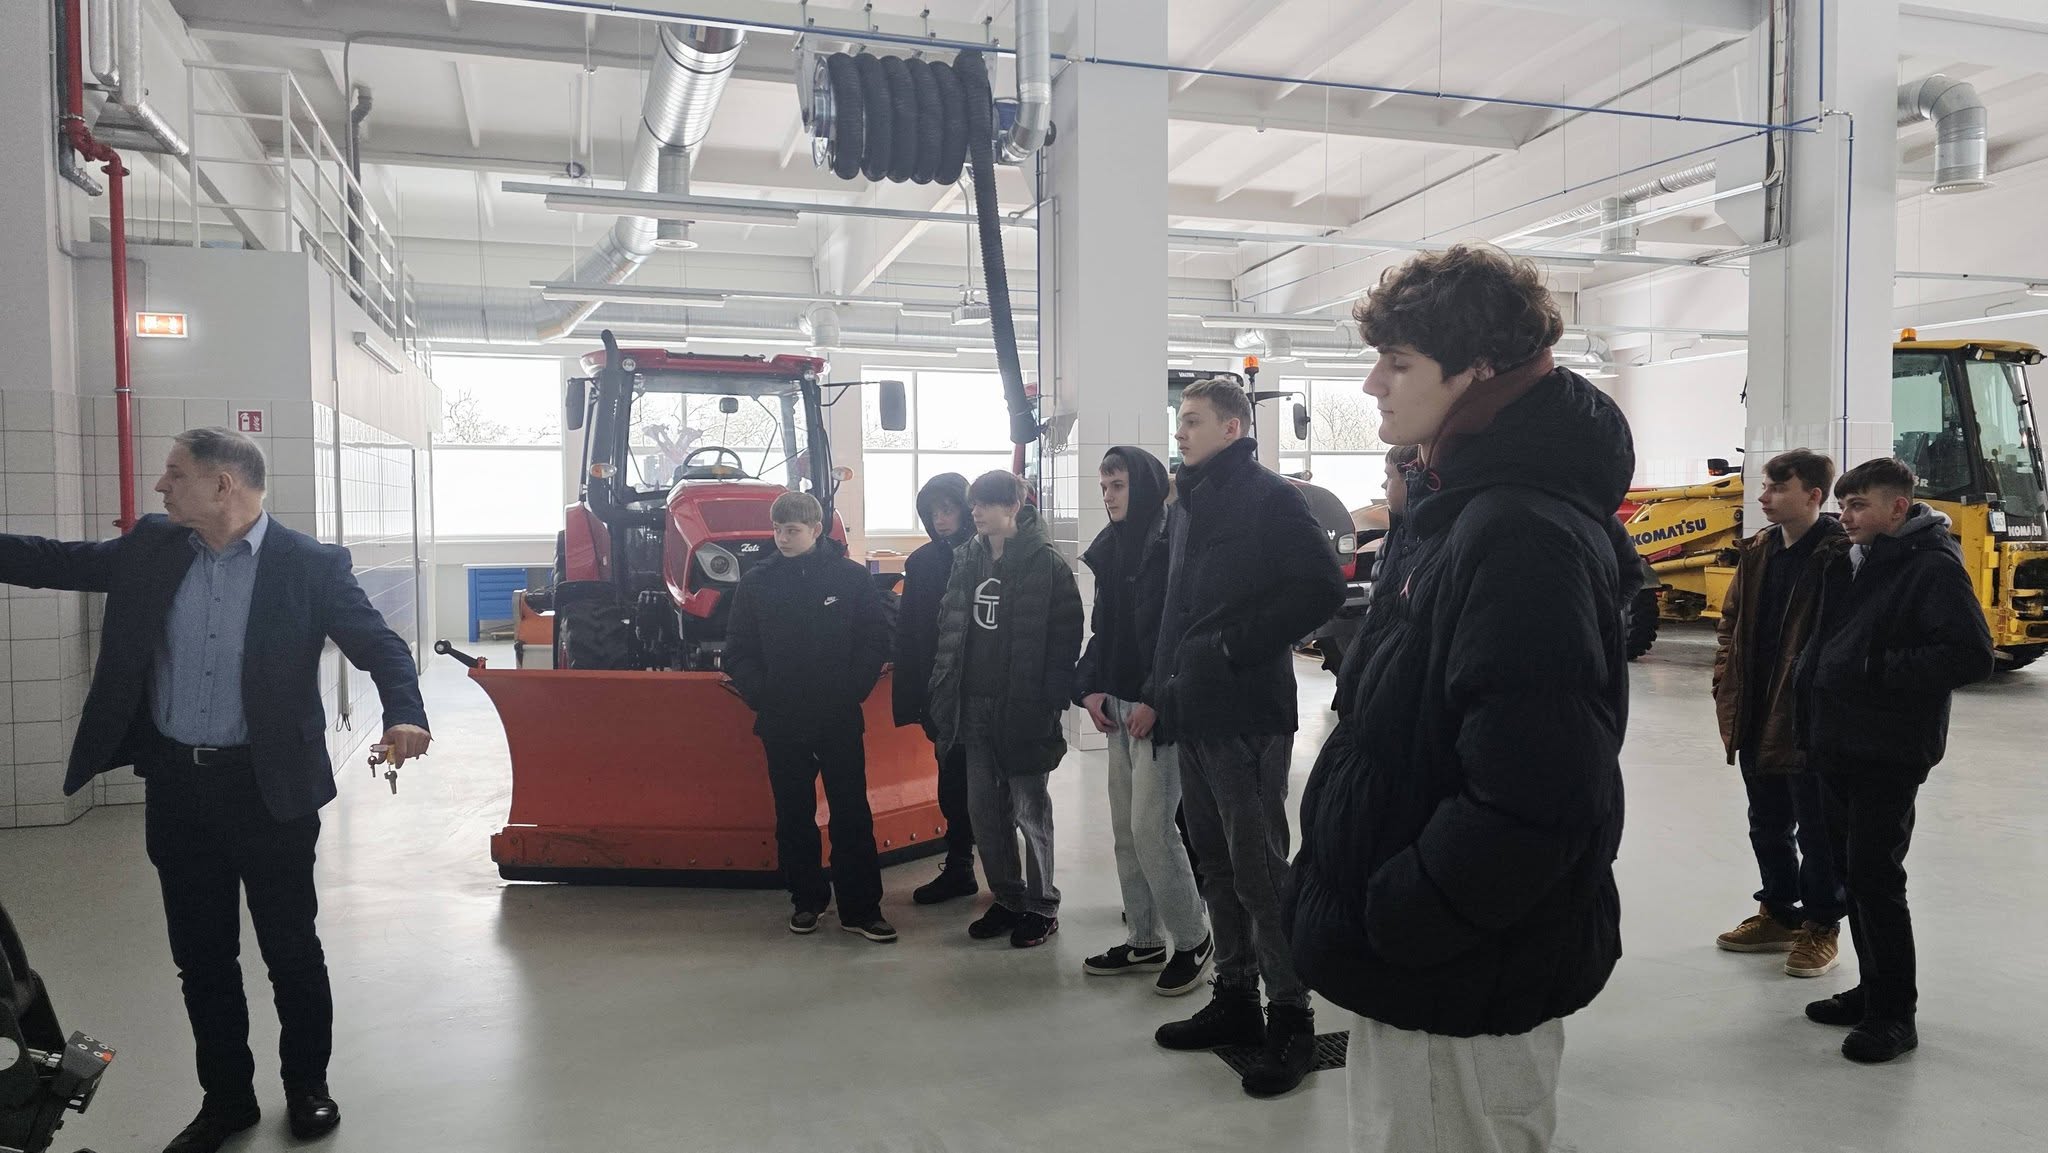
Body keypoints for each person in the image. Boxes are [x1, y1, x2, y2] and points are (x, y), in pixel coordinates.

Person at [1287, 245, 1635, 1153]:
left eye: (1398, 362)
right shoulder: (1458, 504)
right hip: (1434, 969)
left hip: (1460, 972)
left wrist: (1408, 914)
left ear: (1478, 369)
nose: (1372, 383)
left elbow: (1539, 793)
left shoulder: (1517, 532)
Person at [0, 428, 431, 1153]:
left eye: (175, 473)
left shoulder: (310, 565)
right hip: (178, 787)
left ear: (222, 484)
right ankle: (226, 1100)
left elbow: (380, 645)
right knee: (201, 958)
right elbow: (54, 561)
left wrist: (405, 713)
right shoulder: (154, 548)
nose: (161, 487)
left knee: (291, 951)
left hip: (270, 790)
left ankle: (307, 1087)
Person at [1150, 378, 1345, 1098]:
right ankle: (1235, 995)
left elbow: (1322, 586)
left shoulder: (1270, 497)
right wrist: (1164, 685)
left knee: (1259, 869)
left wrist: (1235, 647)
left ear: (1233, 427)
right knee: (1215, 864)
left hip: (1248, 712)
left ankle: (1291, 1015)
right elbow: (1176, 604)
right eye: (1180, 420)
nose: (1181, 431)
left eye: (1193, 420)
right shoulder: (1190, 499)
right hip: (1194, 707)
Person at [1796, 457, 1994, 1063]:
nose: (1845, 516)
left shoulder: (1931, 565)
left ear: (1898, 508)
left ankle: (1893, 1015)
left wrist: (1872, 670)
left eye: (1859, 505)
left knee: (1876, 877)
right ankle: (1871, 990)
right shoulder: (1851, 559)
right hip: (1838, 739)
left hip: (1888, 748)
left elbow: (1970, 654)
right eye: (1843, 505)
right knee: (1852, 873)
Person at [723, 491, 896, 943]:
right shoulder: (756, 583)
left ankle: (861, 909)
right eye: (777, 529)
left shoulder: (851, 579)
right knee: (793, 815)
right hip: (782, 720)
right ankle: (806, 900)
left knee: (851, 813)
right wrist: (763, 695)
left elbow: (875, 639)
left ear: (817, 530)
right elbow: (737, 650)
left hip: (838, 717)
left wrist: (852, 690)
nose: (782, 538)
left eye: (793, 530)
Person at [1074, 447, 1213, 996]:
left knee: (1153, 829)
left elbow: (1182, 632)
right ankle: (1145, 937)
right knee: (1126, 832)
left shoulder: (1177, 541)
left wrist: (1157, 699)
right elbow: (1104, 630)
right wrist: (1089, 688)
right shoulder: (1112, 547)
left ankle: (1193, 938)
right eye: (1104, 485)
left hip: (1160, 709)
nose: (1108, 495)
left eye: (1119, 484)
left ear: (1147, 486)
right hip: (1119, 705)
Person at [927, 470, 1083, 949]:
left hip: (1023, 704)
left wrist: (1049, 701)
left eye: (985, 504)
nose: (975, 512)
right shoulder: (967, 557)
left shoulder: (1045, 562)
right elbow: (950, 626)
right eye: (974, 503)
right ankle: (1008, 897)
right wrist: (944, 690)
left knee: (1030, 809)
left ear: (1013, 507)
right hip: (972, 703)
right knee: (984, 810)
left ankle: (1042, 905)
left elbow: (1065, 636)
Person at [1711, 449, 1850, 976]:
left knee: (1817, 830)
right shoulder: (1759, 550)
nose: (1764, 497)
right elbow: (1731, 622)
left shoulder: (1839, 556)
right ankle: (1778, 911)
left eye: (1776, 487)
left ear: (1813, 495)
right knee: (1766, 822)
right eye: (1764, 486)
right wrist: (1725, 680)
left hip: (1808, 718)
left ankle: (1822, 924)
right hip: (1755, 709)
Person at [892, 473, 979, 905]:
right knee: (952, 784)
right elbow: (911, 633)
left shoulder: (989, 553)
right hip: (943, 693)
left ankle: (1010, 881)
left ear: (966, 509)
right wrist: (916, 700)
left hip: (983, 689)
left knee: (997, 789)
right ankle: (960, 865)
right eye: (933, 512)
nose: (941, 519)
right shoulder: (923, 562)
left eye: (948, 509)